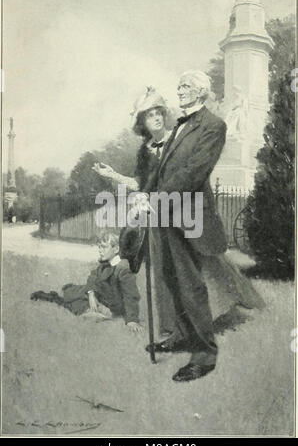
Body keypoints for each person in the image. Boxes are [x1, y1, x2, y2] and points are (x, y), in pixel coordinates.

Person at [146, 70, 264, 382]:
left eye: (185, 86)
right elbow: (166, 170)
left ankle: (204, 354)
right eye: (179, 85)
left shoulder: (214, 125)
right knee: (171, 279)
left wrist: (157, 198)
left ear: (200, 92)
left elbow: (194, 171)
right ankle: (182, 336)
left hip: (191, 215)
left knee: (191, 284)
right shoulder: (179, 127)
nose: (179, 90)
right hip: (168, 213)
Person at [93, 86, 176, 336]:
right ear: (142, 122)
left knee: (177, 269)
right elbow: (140, 183)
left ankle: (181, 325)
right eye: (149, 115)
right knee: (141, 257)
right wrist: (113, 175)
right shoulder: (145, 150)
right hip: (152, 212)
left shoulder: (177, 139)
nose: (156, 118)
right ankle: (163, 324)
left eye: (158, 112)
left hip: (178, 207)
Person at [30, 232, 143, 333]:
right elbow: (93, 276)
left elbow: (131, 296)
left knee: (78, 307)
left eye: (104, 247)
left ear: (116, 249)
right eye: (99, 247)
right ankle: (53, 297)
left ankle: (53, 298)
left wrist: (132, 320)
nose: (100, 250)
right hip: (97, 296)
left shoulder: (123, 269)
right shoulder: (104, 265)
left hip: (109, 306)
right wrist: (91, 294)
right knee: (73, 295)